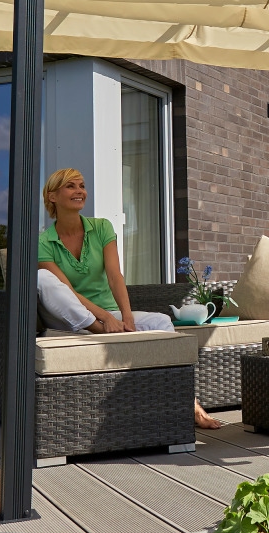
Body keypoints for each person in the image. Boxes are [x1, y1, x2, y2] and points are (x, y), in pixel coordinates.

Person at [37, 167, 223, 430]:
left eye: (82, 185)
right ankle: (102, 331)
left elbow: (115, 276)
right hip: (69, 319)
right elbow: (67, 291)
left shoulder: (101, 228)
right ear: (52, 196)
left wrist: (126, 318)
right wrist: (102, 320)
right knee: (43, 280)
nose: (80, 191)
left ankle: (189, 402)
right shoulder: (43, 241)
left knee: (160, 322)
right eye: (71, 186)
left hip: (109, 316)